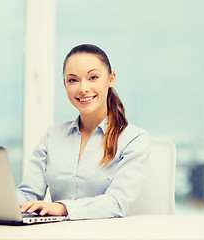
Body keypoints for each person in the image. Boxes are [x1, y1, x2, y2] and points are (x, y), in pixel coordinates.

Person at [16, 44, 150, 220]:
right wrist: (2, 203)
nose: (83, 88)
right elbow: (28, 193)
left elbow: (116, 203)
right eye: (73, 80)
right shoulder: (52, 136)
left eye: (93, 77)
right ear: (64, 84)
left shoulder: (133, 139)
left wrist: (62, 208)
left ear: (111, 79)